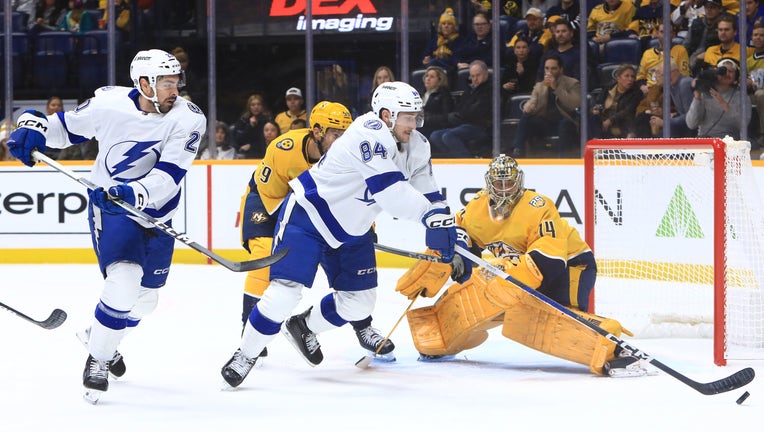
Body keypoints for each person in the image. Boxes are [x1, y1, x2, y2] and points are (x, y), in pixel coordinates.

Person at [220, 81, 467, 388]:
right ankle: (245, 354)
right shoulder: (367, 131)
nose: (414, 123)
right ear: (387, 115)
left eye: (417, 116)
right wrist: (430, 218)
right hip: (308, 217)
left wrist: (450, 227)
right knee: (284, 293)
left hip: (353, 231)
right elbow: (390, 193)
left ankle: (304, 327)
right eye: (408, 116)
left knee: (359, 303)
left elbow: (429, 192)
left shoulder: (418, 145)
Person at [6, 49, 206, 403]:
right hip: (111, 210)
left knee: (146, 301)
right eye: (166, 83)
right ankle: (98, 359)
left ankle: (98, 336)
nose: (174, 90)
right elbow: (63, 130)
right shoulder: (107, 102)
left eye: (177, 82)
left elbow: (171, 175)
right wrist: (33, 126)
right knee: (124, 280)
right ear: (144, 83)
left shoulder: (188, 118)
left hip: (156, 213)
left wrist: (133, 192)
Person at [395, 154, 647, 377]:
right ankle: (438, 337)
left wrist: (511, 279)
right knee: (486, 295)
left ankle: (612, 349)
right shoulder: (477, 207)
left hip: (571, 266)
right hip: (519, 268)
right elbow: (459, 233)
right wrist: (454, 257)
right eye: (498, 183)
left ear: (520, 182)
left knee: (549, 321)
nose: (503, 189)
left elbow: (550, 261)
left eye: (509, 183)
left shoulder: (538, 207)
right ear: (488, 183)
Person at [237, 100, 398, 363]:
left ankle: (362, 325)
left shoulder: (352, 155)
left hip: (320, 209)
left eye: (347, 134)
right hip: (272, 203)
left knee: (351, 269)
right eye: (336, 133)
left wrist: (367, 229)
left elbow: (360, 200)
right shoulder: (284, 148)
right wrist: (290, 229)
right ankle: (250, 331)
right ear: (317, 131)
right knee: (267, 258)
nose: (343, 140)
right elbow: (270, 191)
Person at [511, 55, 580, 157]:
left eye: (553, 68)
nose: (549, 71)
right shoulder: (540, 86)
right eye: (547, 68)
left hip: (565, 121)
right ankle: (517, 150)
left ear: (561, 70)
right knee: (526, 118)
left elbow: (574, 104)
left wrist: (555, 87)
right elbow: (532, 100)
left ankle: (562, 157)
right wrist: (529, 107)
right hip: (545, 123)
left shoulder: (572, 83)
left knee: (565, 125)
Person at [428, 60, 493, 158]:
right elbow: (459, 108)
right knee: (435, 136)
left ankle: (468, 163)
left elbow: (477, 111)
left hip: (480, 127)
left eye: (477, 75)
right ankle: (454, 161)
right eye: (472, 76)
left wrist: (460, 116)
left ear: (486, 74)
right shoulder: (470, 90)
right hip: (464, 124)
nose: (474, 79)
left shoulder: (490, 89)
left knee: (448, 136)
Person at [686, 57, 751, 138]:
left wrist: (723, 103)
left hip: (730, 141)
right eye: (723, 71)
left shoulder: (742, 97)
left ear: (736, 76)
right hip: (706, 140)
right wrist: (697, 97)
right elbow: (691, 124)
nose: (726, 74)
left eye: (730, 72)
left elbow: (742, 125)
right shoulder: (704, 94)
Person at [635, 61, 695, 137]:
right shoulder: (672, 85)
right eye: (660, 74)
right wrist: (673, 115)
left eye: (663, 74)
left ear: (675, 72)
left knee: (660, 136)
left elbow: (690, 116)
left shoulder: (684, 84)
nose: (663, 77)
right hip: (682, 123)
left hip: (691, 128)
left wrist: (665, 122)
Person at [590, 63, 643, 138]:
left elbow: (627, 111)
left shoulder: (637, 93)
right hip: (604, 120)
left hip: (622, 123)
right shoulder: (608, 88)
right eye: (626, 76)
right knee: (592, 118)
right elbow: (599, 102)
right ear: (618, 78)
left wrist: (610, 121)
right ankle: (595, 143)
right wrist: (596, 108)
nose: (630, 79)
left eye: (632, 76)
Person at [635, 23, 691, 94]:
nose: (665, 35)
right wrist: (643, 87)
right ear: (657, 34)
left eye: (668, 32)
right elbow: (640, 77)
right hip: (649, 91)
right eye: (662, 32)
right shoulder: (647, 53)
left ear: (673, 34)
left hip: (670, 90)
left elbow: (684, 75)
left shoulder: (680, 50)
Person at [421, 7, 468, 73]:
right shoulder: (434, 41)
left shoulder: (460, 41)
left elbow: (457, 57)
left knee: (433, 63)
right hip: (434, 67)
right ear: (440, 26)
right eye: (443, 24)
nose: (446, 26)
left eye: (449, 24)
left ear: (454, 27)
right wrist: (425, 60)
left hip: (452, 69)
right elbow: (426, 54)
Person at [419, 66, 454, 139]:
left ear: (439, 80)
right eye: (427, 76)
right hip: (420, 125)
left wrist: (426, 119)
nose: (428, 79)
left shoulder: (444, 94)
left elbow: (446, 117)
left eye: (432, 77)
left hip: (435, 127)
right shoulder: (420, 94)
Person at [233, 94, 271, 159]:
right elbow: (238, 140)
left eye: (258, 104)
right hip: (245, 153)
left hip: (263, 151)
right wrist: (249, 126)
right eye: (253, 105)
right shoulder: (243, 120)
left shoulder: (268, 120)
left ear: (262, 106)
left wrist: (252, 146)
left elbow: (268, 139)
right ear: (249, 107)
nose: (256, 107)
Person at [747, 23, 764, 143]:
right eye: (755, 35)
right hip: (752, 94)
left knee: (760, 95)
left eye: (762, 35)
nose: (758, 37)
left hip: (761, 95)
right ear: (751, 38)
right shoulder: (747, 61)